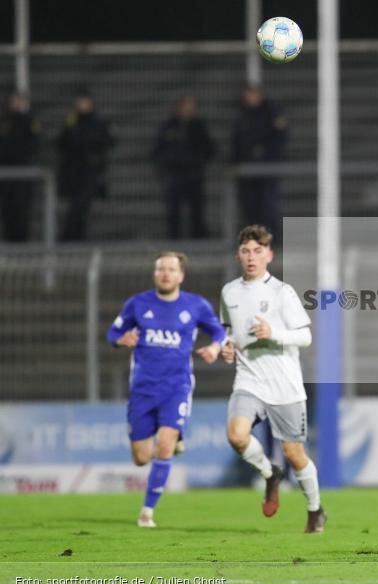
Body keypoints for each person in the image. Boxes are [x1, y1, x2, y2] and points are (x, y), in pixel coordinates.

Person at [106, 251, 225, 528]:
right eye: (161, 269)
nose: (165, 274)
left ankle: (147, 511)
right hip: (143, 389)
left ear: (181, 275)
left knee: (166, 443)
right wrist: (122, 339)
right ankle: (170, 436)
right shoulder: (137, 304)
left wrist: (215, 347)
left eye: (171, 269)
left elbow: (219, 331)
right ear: (155, 273)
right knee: (141, 458)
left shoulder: (195, 306)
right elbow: (112, 334)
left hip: (177, 386)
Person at [219, 224, 326, 533]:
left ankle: (315, 509)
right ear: (239, 255)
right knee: (236, 436)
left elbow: (305, 337)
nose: (251, 257)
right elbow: (231, 332)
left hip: (284, 384)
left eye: (257, 251)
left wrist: (272, 333)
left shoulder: (282, 292)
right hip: (249, 379)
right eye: (245, 251)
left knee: (295, 453)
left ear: (269, 255)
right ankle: (270, 473)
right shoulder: (229, 291)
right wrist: (227, 347)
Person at [152, 95, 215, 239]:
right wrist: (168, 164)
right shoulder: (169, 126)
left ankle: (199, 239)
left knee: (196, 209)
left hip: (194, 175)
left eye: (191, 106)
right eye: (186, 106)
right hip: (174, 176)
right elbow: (158, 150)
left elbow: (209, 148)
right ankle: (174, 239)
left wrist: (197, 161)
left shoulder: (199, 126)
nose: (188, 110)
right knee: (173, 209)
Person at [58, 90, 115, 241]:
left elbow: (108, 141)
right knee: (74, 207)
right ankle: (72, 238)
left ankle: (74, 237)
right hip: (73, 171)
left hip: (90, 171)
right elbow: (62, 142)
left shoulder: (98, 122)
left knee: (82, 206)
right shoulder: (72, 120)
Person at [231, 86, 287, 241]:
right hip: (247, 171)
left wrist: (266, 154)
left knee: (268, 206)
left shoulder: (271, 113)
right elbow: (236, 142)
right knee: (250, 207)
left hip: (267, 169)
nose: (251, 98)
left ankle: (272, 239)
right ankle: (254, 239)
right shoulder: (242, 115)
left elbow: (280, 137)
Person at [0, 92, 40, 242]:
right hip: (6, 172)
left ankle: (22, 240)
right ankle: (9, 239)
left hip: (23, 172)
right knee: (7, 208)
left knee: (21, 207)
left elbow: (34, 144)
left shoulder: (29, 121)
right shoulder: (4, 121)